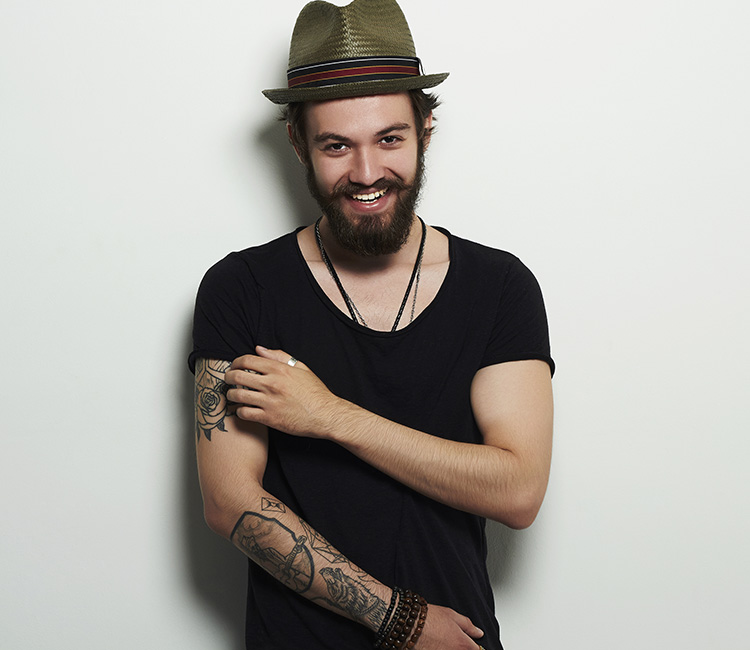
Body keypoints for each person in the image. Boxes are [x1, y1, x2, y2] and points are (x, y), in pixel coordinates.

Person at [189, 0, 554, 648]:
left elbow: (518, 490)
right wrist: (401, 621)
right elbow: (230, 502)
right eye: (337, 145)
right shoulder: (242, 288)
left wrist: (330, 415)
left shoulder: (500, 287)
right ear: (298, 143)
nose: (366, 174)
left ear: (426, 131)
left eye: (390, 139)